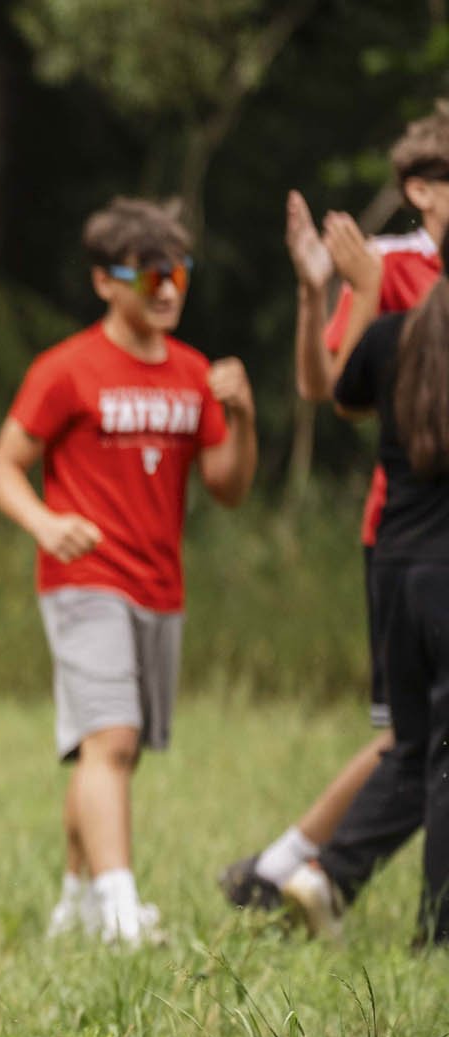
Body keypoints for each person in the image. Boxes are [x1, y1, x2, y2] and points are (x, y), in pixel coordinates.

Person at [0, 197, 256, 946]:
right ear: (105, 281)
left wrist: (244, 415)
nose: (167, 289)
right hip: (83, 582)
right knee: (114, 742)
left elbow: (228, 488)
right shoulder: (65, 370)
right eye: (149, 274)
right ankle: (122, 915)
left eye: (179, 273)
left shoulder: (194, 373)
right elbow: (0, 468)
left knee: (104, 752)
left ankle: (76, 903)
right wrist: (45, 523)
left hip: (160, 588)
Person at [219, 107, 449, 921]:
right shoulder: (385, 267)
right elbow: (326, 388)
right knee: (413, 738)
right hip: (410, 531)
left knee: (414, 740)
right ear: (421, 189)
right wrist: (321, 292)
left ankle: (292, 869)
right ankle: (303, 871)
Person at [302, 265, 449, 947]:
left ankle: (329, 875)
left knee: (416, 751)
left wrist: (358, 293)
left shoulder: (391, 337)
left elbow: (340, 392)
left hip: (394, 569)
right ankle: (440, 935)